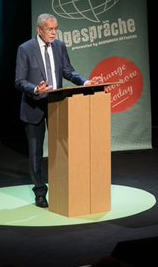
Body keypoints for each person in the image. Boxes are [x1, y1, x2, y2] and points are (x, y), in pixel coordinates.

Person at [15, 13, 101, 207]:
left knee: (61, 150)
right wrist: (36, 89)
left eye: (56, 29)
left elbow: (68, 71)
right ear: (39, 30)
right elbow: (19, 81)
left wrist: (86, 82)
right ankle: (40, 193)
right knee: (36, 152)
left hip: (57, 106)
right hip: (34, 106)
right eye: (50, 29)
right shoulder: (25, 49)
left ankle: (63, 187)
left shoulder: (60, 46)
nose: (54, 33)